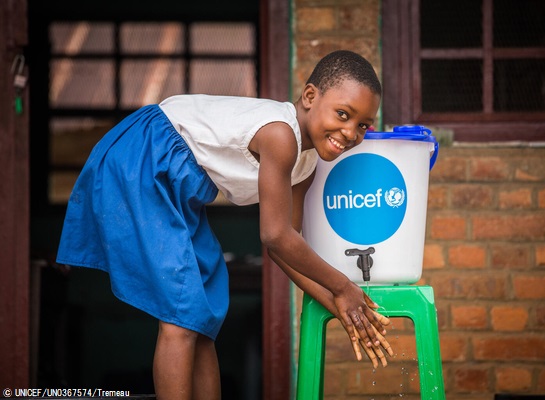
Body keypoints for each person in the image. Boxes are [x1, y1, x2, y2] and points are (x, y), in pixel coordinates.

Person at [56, 50, 393, 400]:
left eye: (363, 125)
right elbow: (274, 235)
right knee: (181, 312)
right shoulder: (280, 135)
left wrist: (339, 303)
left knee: (205, 302)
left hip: (177, 186)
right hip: (145, 156)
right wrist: (342, 286)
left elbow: (286, 247)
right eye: (343, 114)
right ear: (310, 97)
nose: (350, 132)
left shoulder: (305, 165)